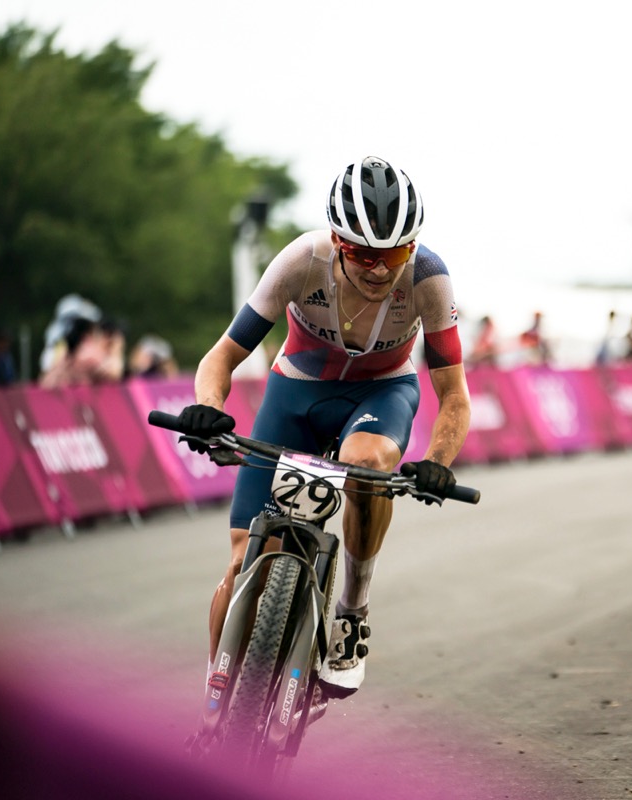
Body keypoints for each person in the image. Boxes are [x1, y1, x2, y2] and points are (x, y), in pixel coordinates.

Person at [171, 156, 471, 697]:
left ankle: (351, 611)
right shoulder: (299, 262)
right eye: (362, 254)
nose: (380, 270)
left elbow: (454, 397)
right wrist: (207, 405)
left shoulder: (429, 279)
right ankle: (215, 704)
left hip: (382, 391)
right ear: (337, 241)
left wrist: (438, 463)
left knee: (368, 464)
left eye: (395, 253)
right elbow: (221, 357)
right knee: (243, 557)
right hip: (297, 390)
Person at [38, 316, 125, 388]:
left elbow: (44, 383)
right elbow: (114, 373)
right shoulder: (89, 357)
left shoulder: (64, 360)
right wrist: (116, 349)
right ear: (86, 337)